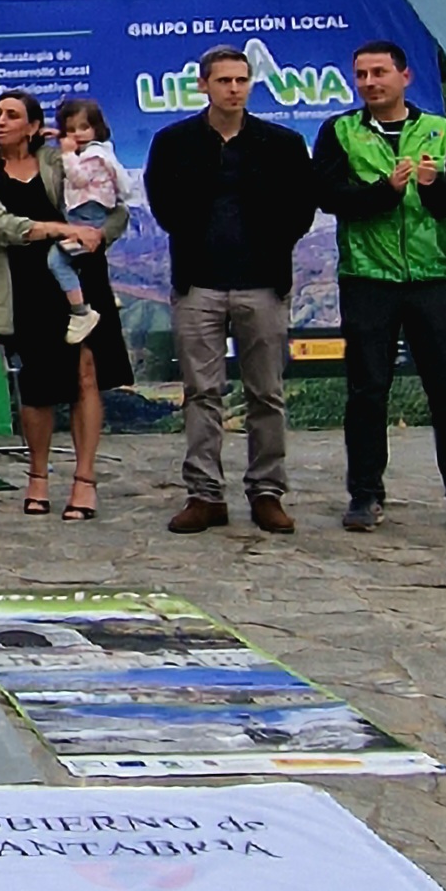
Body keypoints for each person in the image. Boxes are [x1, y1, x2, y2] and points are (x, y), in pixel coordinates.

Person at [313, 40, 446, 540]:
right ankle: (365, 495)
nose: (370, 82)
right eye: (361, 74)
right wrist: (384, 192)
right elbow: (329, 197)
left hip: (433, 277)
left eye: (379, 72)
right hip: (368, 278)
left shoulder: (441, 130)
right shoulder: (340, 131)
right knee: (368, 392)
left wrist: (435, 186)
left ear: (404, 77)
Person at [145, 46, 322, 534]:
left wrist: (270, 244)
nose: (234, 89)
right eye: (224, 81)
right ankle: (205, 494)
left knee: (266, 392)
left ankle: (267, 491)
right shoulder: (174, 142)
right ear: (203, 85)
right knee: (202, 392)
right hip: (198, 283)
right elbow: (162, 203)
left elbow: (302, 206)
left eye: (242, 80)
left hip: (261, 285)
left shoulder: (280, 143)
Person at [0, 91, 132, 518]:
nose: (0, 121)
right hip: (23, 286)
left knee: (86, 375)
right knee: (37, 386)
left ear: (34, 126)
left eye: (12, 115)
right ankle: (37, 476)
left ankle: (85, 480)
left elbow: (112, 209)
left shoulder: (61, 160)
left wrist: (96, 235)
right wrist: (59, 228)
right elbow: (3, 226)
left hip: (78, 277)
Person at [52, 98, 131, 341]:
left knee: (57, 261)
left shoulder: (92, 156)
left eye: (84, 128)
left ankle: (81, 310)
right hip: (86, 214)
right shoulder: (101, 152)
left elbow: (77, 178)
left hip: (86, 215)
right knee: (86, 261)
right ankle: (99, 294)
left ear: (97, 127)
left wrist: (66, 153)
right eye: (71, 130)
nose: (78, 135)